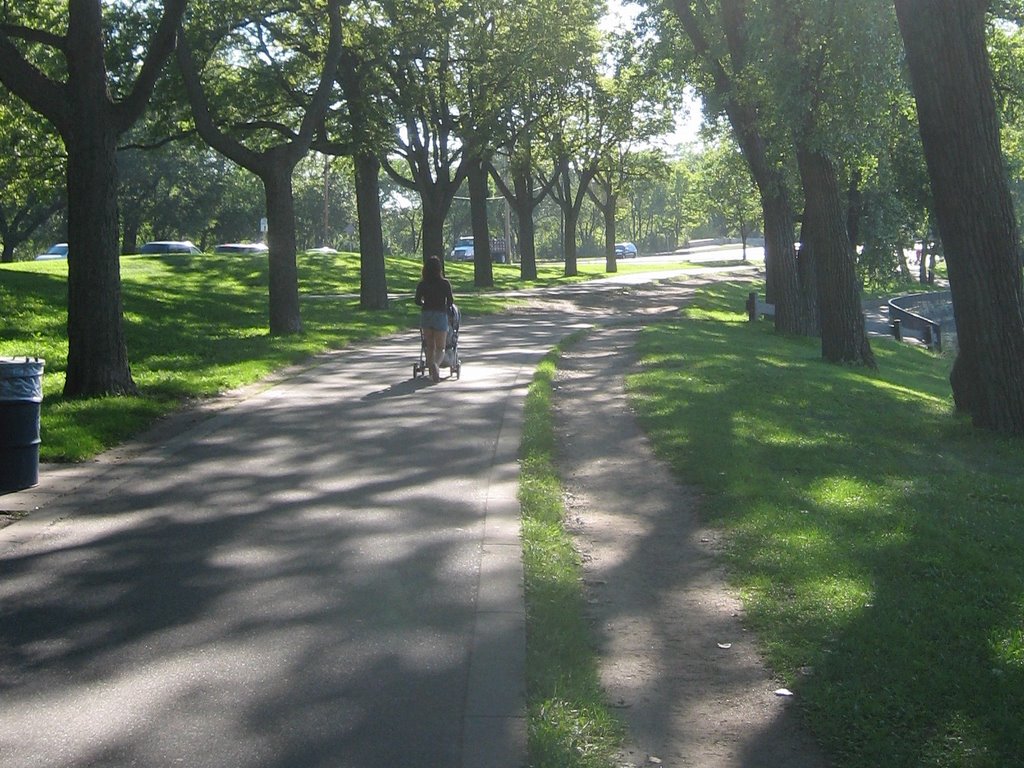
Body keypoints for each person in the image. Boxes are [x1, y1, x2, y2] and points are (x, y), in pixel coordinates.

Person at [414, 256, 455, 382]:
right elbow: (450, 301)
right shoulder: (445, 283)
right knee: (441, 347)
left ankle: (431, 368)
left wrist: (425, 304)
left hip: (426, 315)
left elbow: (417, 301)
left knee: (429, 346)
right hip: (440, 315)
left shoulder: (422, 284)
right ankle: (436, 365)